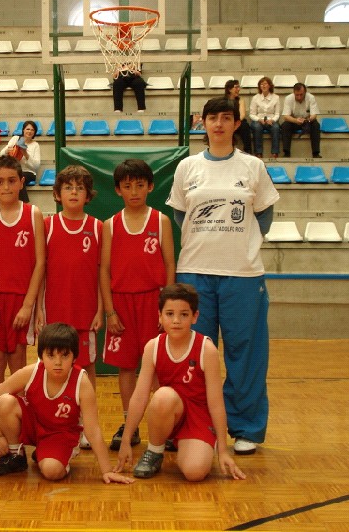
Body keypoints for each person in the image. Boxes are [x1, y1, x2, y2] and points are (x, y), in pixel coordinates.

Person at [166, 97, 280, 456]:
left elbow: (263, 216)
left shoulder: (253, 166)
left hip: (242, 275)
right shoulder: (187, 167)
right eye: (212, 117)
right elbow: (181, 217)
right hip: (195, 273)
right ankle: (189, 426)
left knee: (245, 353)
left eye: (226, 117)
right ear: (203, 122)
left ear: (235, 123)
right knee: (190, 354)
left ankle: (245, 427)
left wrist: (240, 245)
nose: (218, 123)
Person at [115, 284, 245, 481]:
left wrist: (224, 449)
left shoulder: (206, 349)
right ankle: (155, 450)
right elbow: (140, 397)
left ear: (195, 316)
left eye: (184, 314)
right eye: (169, 314)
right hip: (169, 410)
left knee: (195, 473)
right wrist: (126, 440)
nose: (176, 320)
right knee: (162, 396)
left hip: (198, 416)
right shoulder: (153, 347)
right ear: (160, 316)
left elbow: (216, 403)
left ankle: (199, 444)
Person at [0, 322, 134, 484]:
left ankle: (53, 455)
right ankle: (16, 455)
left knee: (52, 471)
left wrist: (106, 470)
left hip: (60, 434)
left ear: (74, 357)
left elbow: (93, 430)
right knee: (5, 401)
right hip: (34, 425)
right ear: (41, 356)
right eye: (51, 355)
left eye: (64, 355)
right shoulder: (31, 372)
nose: (58, 362)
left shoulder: (82, 382)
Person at [100, 159, 175, 451]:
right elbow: (104, 270)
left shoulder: (160, 221)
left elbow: (170, 263)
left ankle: (163, 424)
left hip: (153, 301)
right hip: (122, 304)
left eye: (140, 185)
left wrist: (166, 308)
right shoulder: (110, 225)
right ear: (118, 190)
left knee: (158, 367)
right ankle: (129, 423)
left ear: (150, 187)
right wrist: (109, 311)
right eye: (128, 186)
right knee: (126, 367)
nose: (134, 191)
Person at [36, 165, 103, 448]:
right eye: (68, 187)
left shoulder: (99, 227)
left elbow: (103, 272)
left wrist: (101, 309)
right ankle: (50, 425)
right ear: (57, 194)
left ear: (88, 195)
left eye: (79, 188)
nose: (74, 192)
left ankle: (86, 426)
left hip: (86, 313)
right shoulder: (47, 226)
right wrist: (39, 308)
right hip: (54, 313)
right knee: (50, 369)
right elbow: (40, 270)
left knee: (86, 370)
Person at [0, 155, 45, 401]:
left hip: (21, 299)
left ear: (21, 182)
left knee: (18, 360)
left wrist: (29, 305)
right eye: (0, 181)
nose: (6, 187)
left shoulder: (33, 213)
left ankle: (18, 420)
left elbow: (40, 263)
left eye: (11, 181)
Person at [0, 120, 41, 203]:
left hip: (29, 172)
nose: (29, 131)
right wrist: (8, 151)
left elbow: (36, 166)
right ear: (23, 130)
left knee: (19, 178)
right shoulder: (15, 139)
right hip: (15, 170)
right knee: (14, 176)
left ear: (34, 132)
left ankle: (23, 203)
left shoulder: (35, 145)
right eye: (27, 129)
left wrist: (25, 154)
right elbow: (1, 154)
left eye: (32, 130)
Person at [280, 83, 321, 158]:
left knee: (316, 125)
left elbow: (314, 115)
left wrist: (308, 120)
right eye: (297, 95)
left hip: (307, 121)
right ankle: (286, 153)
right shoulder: (288, 98)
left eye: (301, 94)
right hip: (294, 121)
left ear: (305, 92)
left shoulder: (311, 97)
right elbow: (286, 116)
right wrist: (295, 120)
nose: (299, 97)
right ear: (294, 93)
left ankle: (316, 153)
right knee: (285, 125)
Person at [248, 77, 281, 159]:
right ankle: (258, 153)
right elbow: (252, 114)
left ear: (270, 85)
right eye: (261, 84)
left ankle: (275, 153)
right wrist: (259, 119)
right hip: (258, 120)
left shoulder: (276, 97)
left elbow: (277, 113)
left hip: (271, 120)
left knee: (276, 128)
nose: (263, 86)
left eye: (265, 84)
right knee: (257, 127)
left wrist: (272, 120)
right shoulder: (255, 98)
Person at [224, 79, 252, 154]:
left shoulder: (240, 100)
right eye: (236, 87)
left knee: (245, 126)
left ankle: (248, 150)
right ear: (229, 89)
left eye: (239, 87)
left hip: (238, 121)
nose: (238, 89)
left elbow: (242, 114)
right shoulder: (223, 101)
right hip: (227, 121)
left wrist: (234, 123)